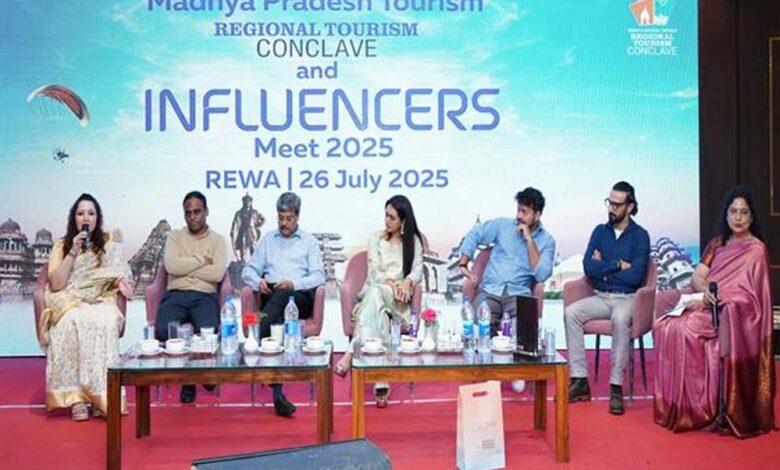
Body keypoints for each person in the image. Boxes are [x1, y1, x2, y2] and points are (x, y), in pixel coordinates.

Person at [653, 186, 775, 437]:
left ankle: (698, 409)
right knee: (665, 326)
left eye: (744, 212)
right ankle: (678, 405)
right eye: (733, 212)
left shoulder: (756, 250)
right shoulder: (718, 243)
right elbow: (698, 277)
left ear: (751, 217)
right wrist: (706, 292)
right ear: (726, 214)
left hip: (731, 315)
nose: (738, 218)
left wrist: (714, 300)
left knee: (685, 329)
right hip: (707, 304)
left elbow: (751, 297)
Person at [39, 193, 134, 421]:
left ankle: (102, 397)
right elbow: (57, 284)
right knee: (72, 320)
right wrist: (73, 251)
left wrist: (121, 282)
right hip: (70, 298)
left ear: (97, 218)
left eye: (91, 213)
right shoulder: (62, 245)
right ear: (74, 218)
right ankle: (77, 399)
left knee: (106, 320)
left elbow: (116, 273)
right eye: (81, 213)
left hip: (100, 298)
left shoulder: (108, 244)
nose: (86, 218)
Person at [564, 181, 650, 415]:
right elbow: (588, 267)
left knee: (620, 319)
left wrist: (603, 266)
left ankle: (616, 387)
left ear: (630, 207)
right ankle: (580, 381)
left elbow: (636, 276)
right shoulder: (599, 232)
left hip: (627, 298)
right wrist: (618, 265)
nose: (611, 208)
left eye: (616, 204)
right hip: (600, 296)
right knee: (571, 313)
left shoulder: (641, 236)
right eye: (609, 203)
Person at [459, 188, 556, 393]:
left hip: (519, 292)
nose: (519, 216)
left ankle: (517, 370)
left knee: (525, 320)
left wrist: (529, 240)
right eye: (518, 210)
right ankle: (490, 369)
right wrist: (463, 262)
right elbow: (475, 233)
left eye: (525, 212)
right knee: (480, 316)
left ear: (537, 215)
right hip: (491, 290)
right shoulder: (502, 226)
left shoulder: (547, 241)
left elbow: (541, 275)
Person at [334, 195, 424, 408]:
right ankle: (381, 382)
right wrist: (394, 285)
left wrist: (407, 283)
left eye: (392, 217)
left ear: (403, 220)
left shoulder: (413, 242)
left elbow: (418, 270)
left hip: (398, 303)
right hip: (377, 294)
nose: (387, 221)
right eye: (386, 215)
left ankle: (350, 353)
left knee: (377, 299)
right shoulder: (376, 239)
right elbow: (374, 273)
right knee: (379, 309)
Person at [241, 192, 325, 417]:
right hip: (272, 298)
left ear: (297, 217)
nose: (284, 223)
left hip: (299, 297)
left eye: (289, 218)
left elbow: (319, 276)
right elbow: (248, 270)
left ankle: (256, 332)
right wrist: (258, 282)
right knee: (277, 319)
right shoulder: (268, 240)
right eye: (280, 218)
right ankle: (278, 396)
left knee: (281, 297)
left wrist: (294, 284)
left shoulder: (308, 242)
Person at [156, 191, 228, 404]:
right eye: (188, 213)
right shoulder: (175, 237)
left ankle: (195, 378)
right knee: (163, 331)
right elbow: (171, 266)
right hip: (176, 295)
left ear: (206, 212)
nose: (192, 217)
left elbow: (217, 274)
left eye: (197, 212)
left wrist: (187, 269)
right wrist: (201, 261)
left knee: (207, 333)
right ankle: (193, 376)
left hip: (204, 296)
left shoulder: (218, 240)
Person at [230, 193, 265, 262]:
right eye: (245, 201)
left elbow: (263, 219)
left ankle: (255, 261)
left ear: (251, 202)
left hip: (252, 232)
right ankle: (242, 261)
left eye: (248, 201)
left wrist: (257, 226)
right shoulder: (239, 213)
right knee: (243, 246)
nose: (247, 202)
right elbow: (235, 223)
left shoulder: (255, 212)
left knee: (253, 247)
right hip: (243, 231)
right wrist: (232, 231)